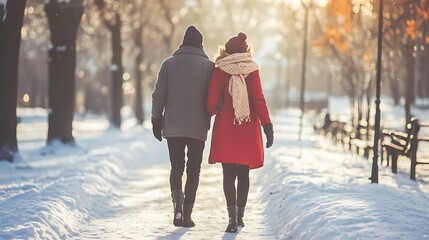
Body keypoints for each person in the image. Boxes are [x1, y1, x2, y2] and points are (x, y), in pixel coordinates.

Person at [207, 32, 274, 233]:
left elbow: (210, 102)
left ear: (225, 51)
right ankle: (241, 216)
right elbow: (259, 99)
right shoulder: (252, 70)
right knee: (243, 174)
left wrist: (218, 109)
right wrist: (267, 125)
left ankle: (232, 219)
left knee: (228, 175)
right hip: (247, 129)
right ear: (246, 50)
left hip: (227, 129)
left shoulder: (219, 70)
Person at [151, 25, 214, 228]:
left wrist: (156, 120)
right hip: (198, 127)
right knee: (194, 170)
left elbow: (158, 95)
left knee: (176, 166)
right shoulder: (209, 67)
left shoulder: (168, 64)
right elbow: (213, 99)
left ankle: (177, 207)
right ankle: (187, 214)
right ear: (200, 44)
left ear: (183, 42)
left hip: (173, 126)